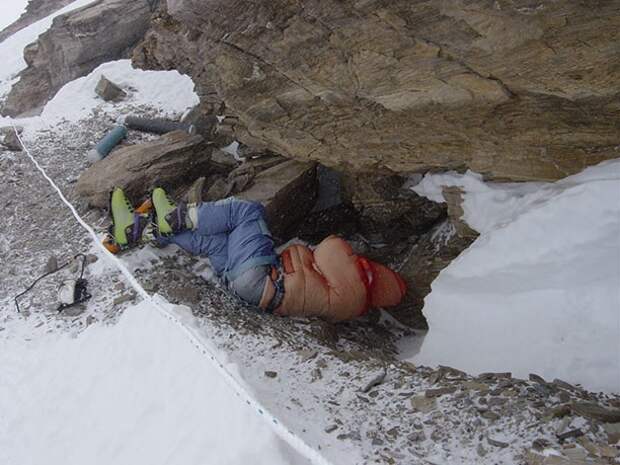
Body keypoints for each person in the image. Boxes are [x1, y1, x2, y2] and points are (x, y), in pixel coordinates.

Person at [105, 186, 407, 321]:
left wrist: (342, 256)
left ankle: (177, 217)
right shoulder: (349, 303)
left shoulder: (355, 290)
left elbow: (330, 247)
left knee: (244, 211)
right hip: (243, 287)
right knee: (214, 242)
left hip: (258, 281)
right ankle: (137, 231)